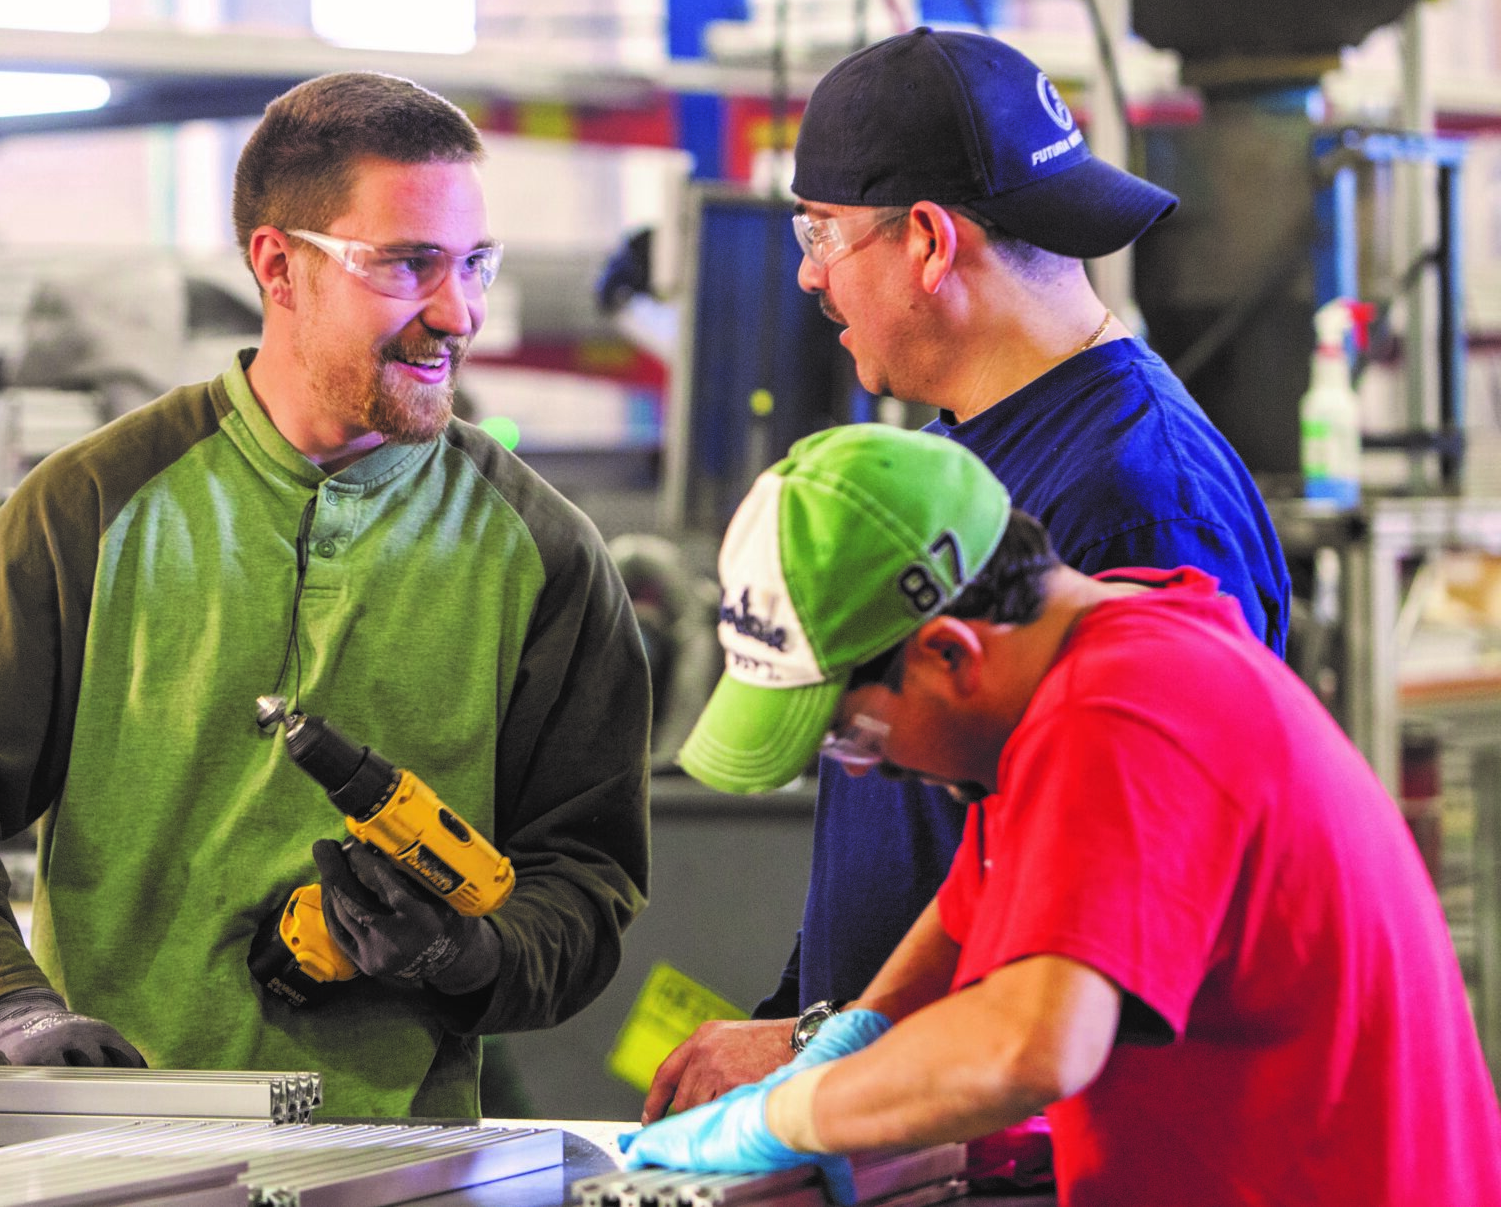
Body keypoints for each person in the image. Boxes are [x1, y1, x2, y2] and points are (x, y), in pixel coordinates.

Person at [0, 71, 651, 1117]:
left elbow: (584, 877)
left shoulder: (545, 556)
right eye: (408, 264)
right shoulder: (93, 507)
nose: (458, 313)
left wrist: (467, 954)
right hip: (114, 1157)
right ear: (279, 264)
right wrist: (5, 1011)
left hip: (398, 1169)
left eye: (473, 263)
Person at [646, 28, 1291, 1117]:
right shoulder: (959, 454)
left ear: (931, 243)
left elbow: (1112, 928)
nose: (806, 271)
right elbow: (976, 849)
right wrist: (820, 1030)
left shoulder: (1138, 501)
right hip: (903, 1105)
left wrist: (817, 1065)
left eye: (822, 230)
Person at [625, 424, 1501, 1204]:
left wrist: (786, 1116)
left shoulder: (1122, 712)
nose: (875, 770)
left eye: (854, 737)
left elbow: (1031, 1048)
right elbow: (969, 914)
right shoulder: (1091, 662)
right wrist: (854, 1037)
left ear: (948, 651)